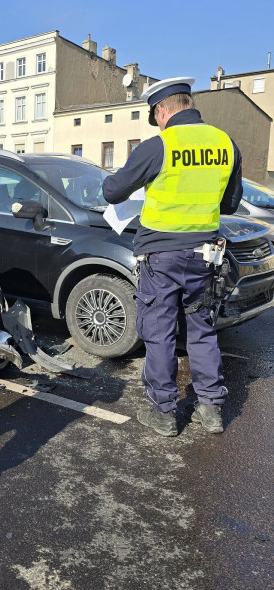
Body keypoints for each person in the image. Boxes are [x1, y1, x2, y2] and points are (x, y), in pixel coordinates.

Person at [102, 77, 243, 437]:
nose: (158, 122)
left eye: (156, 116)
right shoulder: (225, 143)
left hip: (161, 257)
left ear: (162, 110)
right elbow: (228, 203)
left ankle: (164, 413)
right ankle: (211, 410)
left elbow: (112, 191)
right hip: (204, 257)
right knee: (201, 329)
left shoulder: (159, 145)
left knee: (160, 332)